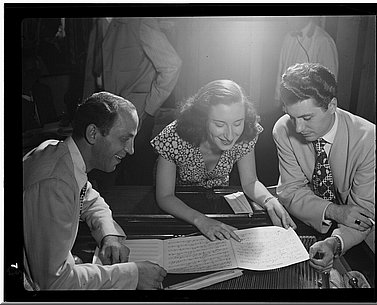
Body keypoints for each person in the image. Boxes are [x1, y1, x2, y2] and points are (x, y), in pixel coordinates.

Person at [23, 91, 167, 290]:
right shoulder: (54, 183)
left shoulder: (62, 153)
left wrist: (109, 235)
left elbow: (90, 200)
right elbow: (54, 283)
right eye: (125, 138)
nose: (131, 150)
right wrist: (133, 274)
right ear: (93, 133)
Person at [151, 80, 296, 242]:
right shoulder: (174, 135)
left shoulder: (246, 132)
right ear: (201, 119)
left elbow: (250, 181)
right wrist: (201, 221)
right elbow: (165, 196)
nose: (230, 135)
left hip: (216, 203)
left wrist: (269, 200)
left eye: (237, 123)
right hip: (179, 207)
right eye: (220, 124)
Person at [272, 63, 375, 272]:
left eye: (307, 118)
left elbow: (362, 216)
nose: (298, 128)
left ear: (332, 106)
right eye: (293, 117)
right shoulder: (283, 129)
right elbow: (290, 191)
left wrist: (334, 243)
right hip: (310, 223)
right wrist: (334, 211)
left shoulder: (370, 139)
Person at [83, 17, 182, 189]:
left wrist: (148, 107)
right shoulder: (97, 22)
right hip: (104, 118)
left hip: (137, 118)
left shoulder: (140, 21)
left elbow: (172, 65)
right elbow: (91, 72)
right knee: (105, 181)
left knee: (137, 181)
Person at [274, 17, 338, 107]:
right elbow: (281, 68)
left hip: (310, 105)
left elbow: (330, 80)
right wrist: (277, 97)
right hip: (287, 101)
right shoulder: (288, 37)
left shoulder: (323, 40)